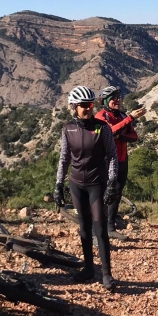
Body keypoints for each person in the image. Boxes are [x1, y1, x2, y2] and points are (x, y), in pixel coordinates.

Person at [54, 86, 120, 290]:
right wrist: (58, 184)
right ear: (73, 107)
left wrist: (112, 182)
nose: (87, 109)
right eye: (83, 105)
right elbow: (64, 159)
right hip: (76, 185)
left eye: (90, 104)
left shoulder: (103, 128)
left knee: (100, 230)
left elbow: (112, 156)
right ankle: (89, 268)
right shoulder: (67, 129)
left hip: (97, 185)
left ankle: (107, 274)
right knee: (84, 229)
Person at [94, 85, 146, 241]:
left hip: (122, 160)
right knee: (104, 193)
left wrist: (119, 136)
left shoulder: (122, 116)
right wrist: (130, 119)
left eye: (119, 97)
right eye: (113, 98)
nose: (117, 100)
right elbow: (108, 132)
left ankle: (110, 227)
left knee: (116, 193)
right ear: (105, 101)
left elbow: (134, 136)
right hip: (106, 160)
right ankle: (97, 226)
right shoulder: (101, 116)